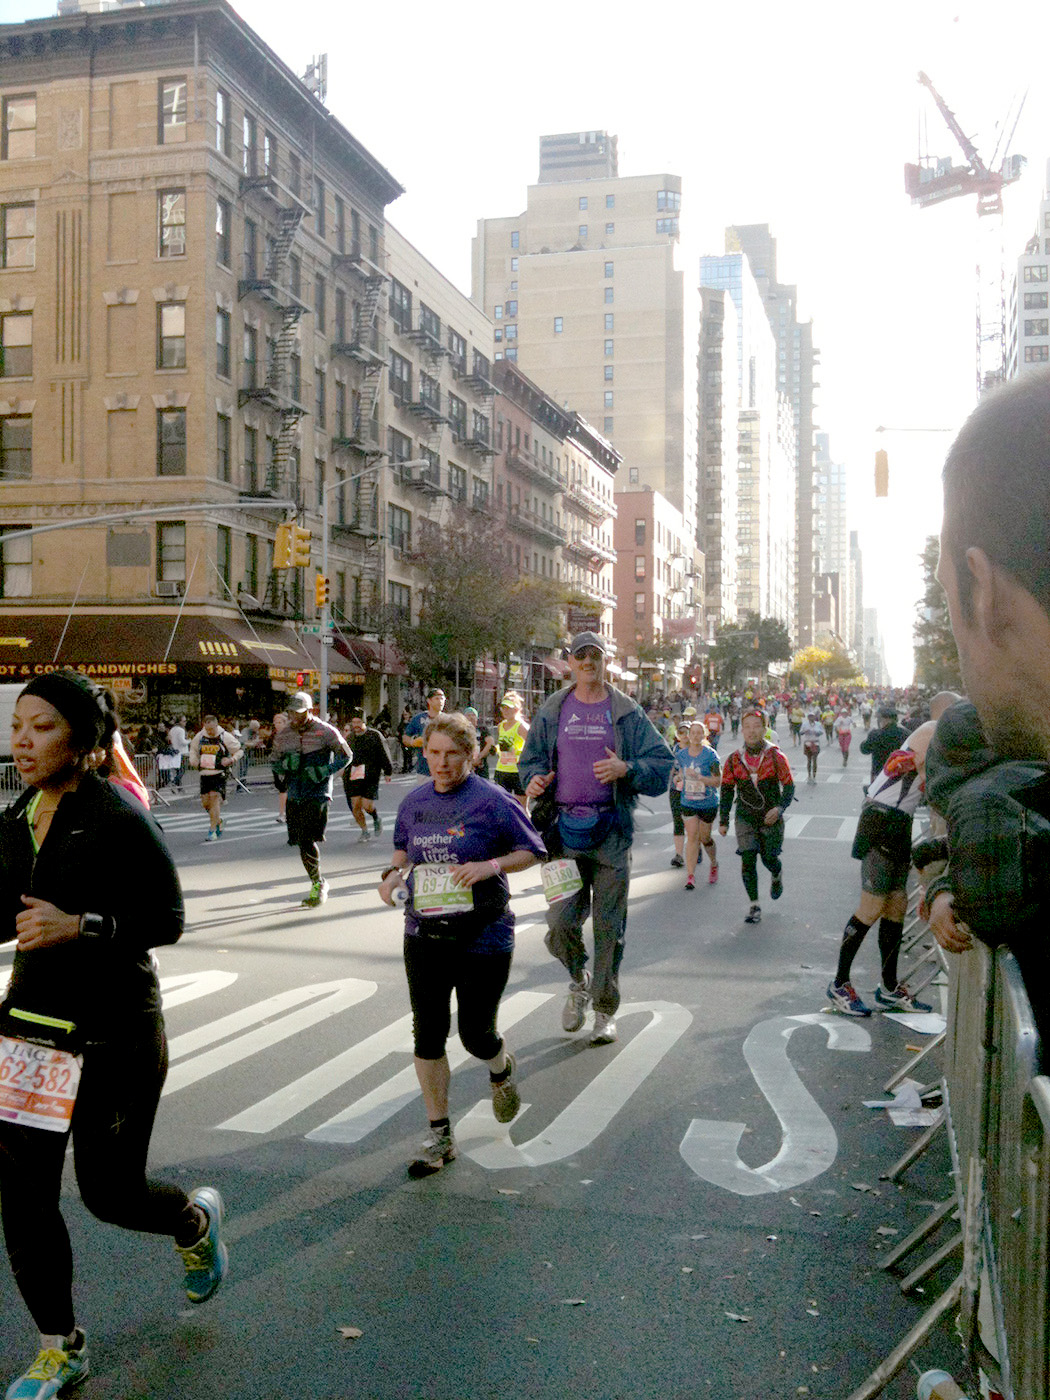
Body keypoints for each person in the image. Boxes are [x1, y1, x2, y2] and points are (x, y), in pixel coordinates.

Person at [1, 671, 227, 1399]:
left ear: (81, 738)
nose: (23, 741)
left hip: (115, 1035)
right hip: (32, 1033)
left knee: (109, 1193)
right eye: (17, 727)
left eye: (40, 727)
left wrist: (80, 925)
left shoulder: (119, 817)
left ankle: (191, 1220)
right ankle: (59, 1346)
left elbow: (167, 922)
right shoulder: (18, 815)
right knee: (25, 1193)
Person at [378, 713, 546, 1176]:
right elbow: (402, 852)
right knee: (427, 1034)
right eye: (433, 753)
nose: (442, 763)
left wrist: (490, 866)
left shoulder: (493, 801)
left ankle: (500, 1066)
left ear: (471, 755)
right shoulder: (413, 802)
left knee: (475, 1034)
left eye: (452, 753)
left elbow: (532, 850)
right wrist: (389, 877)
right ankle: (440, 1134)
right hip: (424, 934)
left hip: (483, 935)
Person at [519, 632, 673, 1046]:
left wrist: (627, 768)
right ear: (569, 661)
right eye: (581, 655)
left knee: (610, 929)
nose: (588, 661)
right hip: (562, 835)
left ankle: (604, 1010)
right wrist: (533, 780)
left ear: (605, 661)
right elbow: (528, 760)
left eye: (596, 655)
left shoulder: (625, 711)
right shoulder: (553, 710)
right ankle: (578, 979)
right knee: (559, 923)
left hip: (611, 836)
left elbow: (662, 764)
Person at [826, 722, 938, 1016]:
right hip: (881, 819)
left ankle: (888, 989)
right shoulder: (933, 731)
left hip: (900, 822)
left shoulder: (942, 735)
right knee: (872, 907)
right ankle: (839, 984)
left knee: (896, 906)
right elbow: (932, 776)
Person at [271, 692, 352, 907]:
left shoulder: (325, 731)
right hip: (295, 793)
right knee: (300, 842)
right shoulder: (284, 734)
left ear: (309, 711)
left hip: (317, 792)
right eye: (291, 713)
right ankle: (317, 880)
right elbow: (274, 761)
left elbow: (347, 755)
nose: (294, 717)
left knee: (308, 839)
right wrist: (285, 766)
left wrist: (325, 770)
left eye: (298, 713)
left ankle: (318, 883)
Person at [718, 709, 795, 925]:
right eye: (747, 726)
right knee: (748, 858)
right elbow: (726, 790)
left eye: (756, 726)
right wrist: (723, 820)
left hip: (770, 816)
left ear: (764, 729)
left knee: (769, 858)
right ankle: (754, 905)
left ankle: (776, 873)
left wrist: (779, 809)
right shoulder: (733, 760)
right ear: (742, 730)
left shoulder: (776, 756)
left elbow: (789, 787)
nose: (752, 731)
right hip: (745, 816)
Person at [677, 720, 720, 889]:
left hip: (707, 802)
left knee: (705, 838)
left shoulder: (711, 755)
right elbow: (679, 772)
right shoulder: (681, 755)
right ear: (688, 736)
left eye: (698, 733)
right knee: (692, 836)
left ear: (704, 735)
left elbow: (718, 781)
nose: (695, 736)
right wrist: (678, 778)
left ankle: (714, 863)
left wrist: (701, 778)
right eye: (692, 733)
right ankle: (690, 876)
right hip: (688, 801)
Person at [188, 715, 242, 842]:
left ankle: (212, 830)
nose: (210, 732)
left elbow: (239, 750)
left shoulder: (225, 736)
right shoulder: (200, 736)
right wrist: (194, 762)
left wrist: (231, 759)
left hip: (219, 773)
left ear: (216, 725)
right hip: (205, 773)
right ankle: (218, 820)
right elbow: (193, 750)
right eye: (208, 729)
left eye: (212, 729)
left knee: (214, 798)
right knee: (206, 803)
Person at [342, 710, 392, 842]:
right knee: (356, 805)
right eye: (354, 722)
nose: (356, 725)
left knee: (367, 805)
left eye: (358, 722)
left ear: (364, 722)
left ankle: (376, 818)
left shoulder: (374, 735)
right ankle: (364, 831)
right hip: (353, 775)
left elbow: (384, 753)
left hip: (371, 775)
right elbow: (344, 756)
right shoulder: (351, 737)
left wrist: (388, 771)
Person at [493, 692, 529, 808]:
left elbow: (533, 747)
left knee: (521, 807)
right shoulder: (500, 726)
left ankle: (525, 826)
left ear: (516, 709)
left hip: (517, 771)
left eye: (509, 708)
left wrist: (517, 752)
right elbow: (501, 746)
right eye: (503, 708)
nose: (505, 711)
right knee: (503, 805)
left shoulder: (521, 726)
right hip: (502, 770)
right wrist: (498, 749)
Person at [403, 689, 446, 778]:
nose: (440, 701)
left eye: (442, 699)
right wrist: (412, 743)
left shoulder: (448, 720)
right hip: (424, 770)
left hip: (444, 769)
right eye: (437, 699)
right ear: (429, 701)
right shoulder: (419, 718)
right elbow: (405, 737)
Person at [860, 705, 907, 784]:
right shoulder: (905, 734)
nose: (878, 721)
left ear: (886, 719)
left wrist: (864, 742)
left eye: (879, 718)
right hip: (900, 775)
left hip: (879, 775)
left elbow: (865, 750)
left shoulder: (876, 734)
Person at [667, 719, 691, 868]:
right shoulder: (672, 751)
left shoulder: (697, 751)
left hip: (693, 792)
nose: (684, 735)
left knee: (692, 822)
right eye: (681, 732)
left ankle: (696, 845)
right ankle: (679, 855)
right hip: (675, 790)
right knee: (678, 821)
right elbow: (667, 768)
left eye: (687, 732)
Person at [462, 706, 495, 779]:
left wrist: (479, 757)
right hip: (466, 765)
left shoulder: (482, 729)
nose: (471, 717)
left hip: (481, 765)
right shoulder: (461, 731)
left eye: (473, 715)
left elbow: (490, 742)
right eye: (468, 715)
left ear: (476, 718)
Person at [271, 710, 291, 832]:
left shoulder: (288, 735)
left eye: (280, 722)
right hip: (276, 764)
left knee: (284, 789)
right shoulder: (275, 735)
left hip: (286, 765)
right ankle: (285, 813)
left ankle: (283, 813)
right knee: (282, 789)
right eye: (275, 722)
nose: (277, 724)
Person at [799, 710, 823, 785]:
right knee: (809, 760)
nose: (811, 718)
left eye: (812, 716)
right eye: (809, 716)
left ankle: (814, 776)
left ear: (814, 717)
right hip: (808, 743)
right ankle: (809, 776)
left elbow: (821, 732)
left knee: (815, 760)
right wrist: (805, 731)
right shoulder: (805, 724)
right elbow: (801, 732)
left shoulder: (818, 724)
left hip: (815, 742)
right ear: (808, 717)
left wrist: (816, 731)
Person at [167, 713, 188, 791]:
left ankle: (179, 787)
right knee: (182, 770)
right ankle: (175, 782)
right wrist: (189, 741)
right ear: (180, 722)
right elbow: (182, 742)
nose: (185, 723)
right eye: (184, 721)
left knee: (178, 770)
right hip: (182, 752)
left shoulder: (172, 729)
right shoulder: (181, 730)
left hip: (174, 751)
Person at [398, 704, 414, 774]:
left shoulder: (411, 723)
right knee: (405, 754)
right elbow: (399, 730)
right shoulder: (402, 723)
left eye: (406, 715)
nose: (405, 716)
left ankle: (409, 767)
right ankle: (405, 767)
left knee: (409, 754)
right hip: (403, 741)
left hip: (410, 740)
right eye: (404, 715)